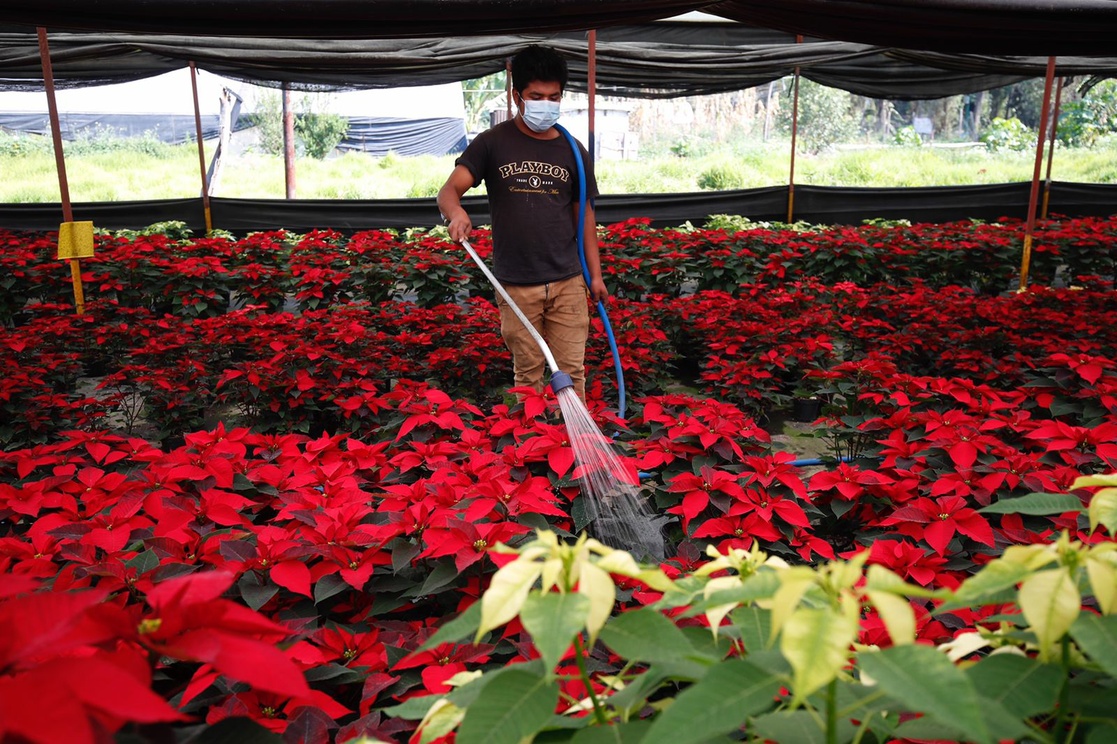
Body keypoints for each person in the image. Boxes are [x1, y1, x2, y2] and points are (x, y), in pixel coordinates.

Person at [438, 45, 606, 402]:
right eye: (536, 96)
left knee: (572, 372)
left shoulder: (573, 150)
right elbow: (449, 190)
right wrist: (456, 213)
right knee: (527, 374)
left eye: (553, 97)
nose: (546, 104)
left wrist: (595, 276)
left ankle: (569, 445)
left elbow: (585, 217)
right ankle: (529, 445)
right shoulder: (492, 144)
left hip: (567, 283)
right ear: (517, 96)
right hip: (516, 285)